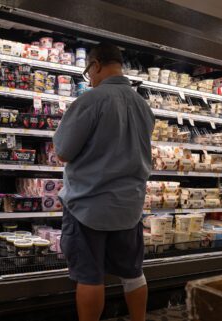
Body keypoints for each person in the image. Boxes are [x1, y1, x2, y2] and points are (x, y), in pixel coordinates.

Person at [53, 42, 155, 321]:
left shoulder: (90, 100)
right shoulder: (142, 106)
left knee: (89, 276)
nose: (91, 78)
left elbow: (63, 151)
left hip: (89, 207)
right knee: (133, 273)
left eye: (89, 72)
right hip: (130, 207)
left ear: (95, 65)